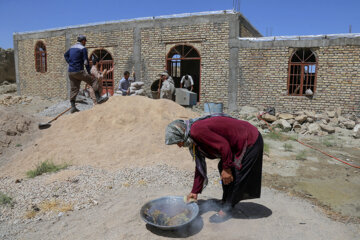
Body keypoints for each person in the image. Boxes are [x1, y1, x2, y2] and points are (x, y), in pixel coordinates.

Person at [165, 114, 263, 223]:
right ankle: (225, 201)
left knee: (237, 173)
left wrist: (227, 169)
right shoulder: (194, 138)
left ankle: (227, 209)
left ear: (181, 133)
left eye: (178, 141)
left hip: (249, 140)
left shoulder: (197, 131)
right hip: (238, 143)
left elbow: (224, 146)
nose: (179, 145)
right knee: (222, 166)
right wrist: (195, 191)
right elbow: (199, 167)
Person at [64, 35, 108, 113]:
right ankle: (98, 98)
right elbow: (86, 61)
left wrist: (70, 63)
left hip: (70, 72)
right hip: (79, 71)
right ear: (83, 41)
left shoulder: (71, 47)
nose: (85, 43)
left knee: (74, 88)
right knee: (93, 80)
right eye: (85, 41)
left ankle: (73, 107)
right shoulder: (83, 49)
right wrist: (89, 72)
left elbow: (65, 55)